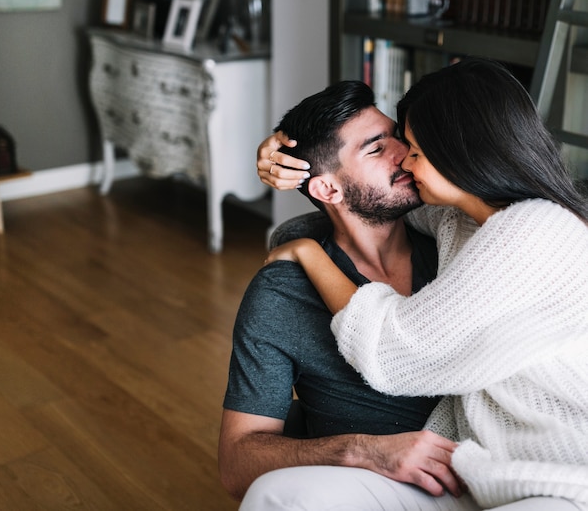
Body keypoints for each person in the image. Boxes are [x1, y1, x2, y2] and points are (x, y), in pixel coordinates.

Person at [252, 57, 588, 510]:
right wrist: (296, 163)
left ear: (457, 150)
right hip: (477, 463)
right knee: (275, 494)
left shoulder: (529, 231)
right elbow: (362, 214)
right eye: (383, 147)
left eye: (410, 146)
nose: (402, 158)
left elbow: (391, 350)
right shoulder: (464, 219)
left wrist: (309, 254)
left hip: (558, 475)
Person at [219, 80, 475, 504]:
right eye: (376, 149)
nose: (405, 153)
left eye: (398, 136)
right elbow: (236, 462)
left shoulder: (456, 239)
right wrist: (362, 450)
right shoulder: (281, 291)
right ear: (327, 189)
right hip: (376, 485)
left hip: (492, 460)